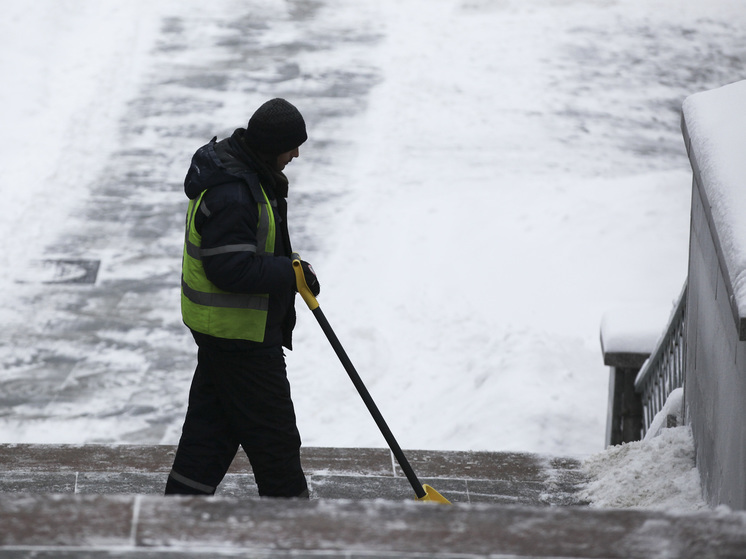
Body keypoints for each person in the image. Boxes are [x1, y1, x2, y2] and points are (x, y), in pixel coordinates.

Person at [165, 98, 320, 499]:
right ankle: (294, 530)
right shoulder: (234, 192)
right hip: (242, 342)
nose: (296, 154)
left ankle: (174, 519)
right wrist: (288, 273)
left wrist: (294, 266)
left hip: (228, 335)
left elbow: (253, 249)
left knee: (208, 438)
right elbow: (229, 269)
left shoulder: (247, 174)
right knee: (276, 445)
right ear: (272, 146)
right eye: (291, 146)